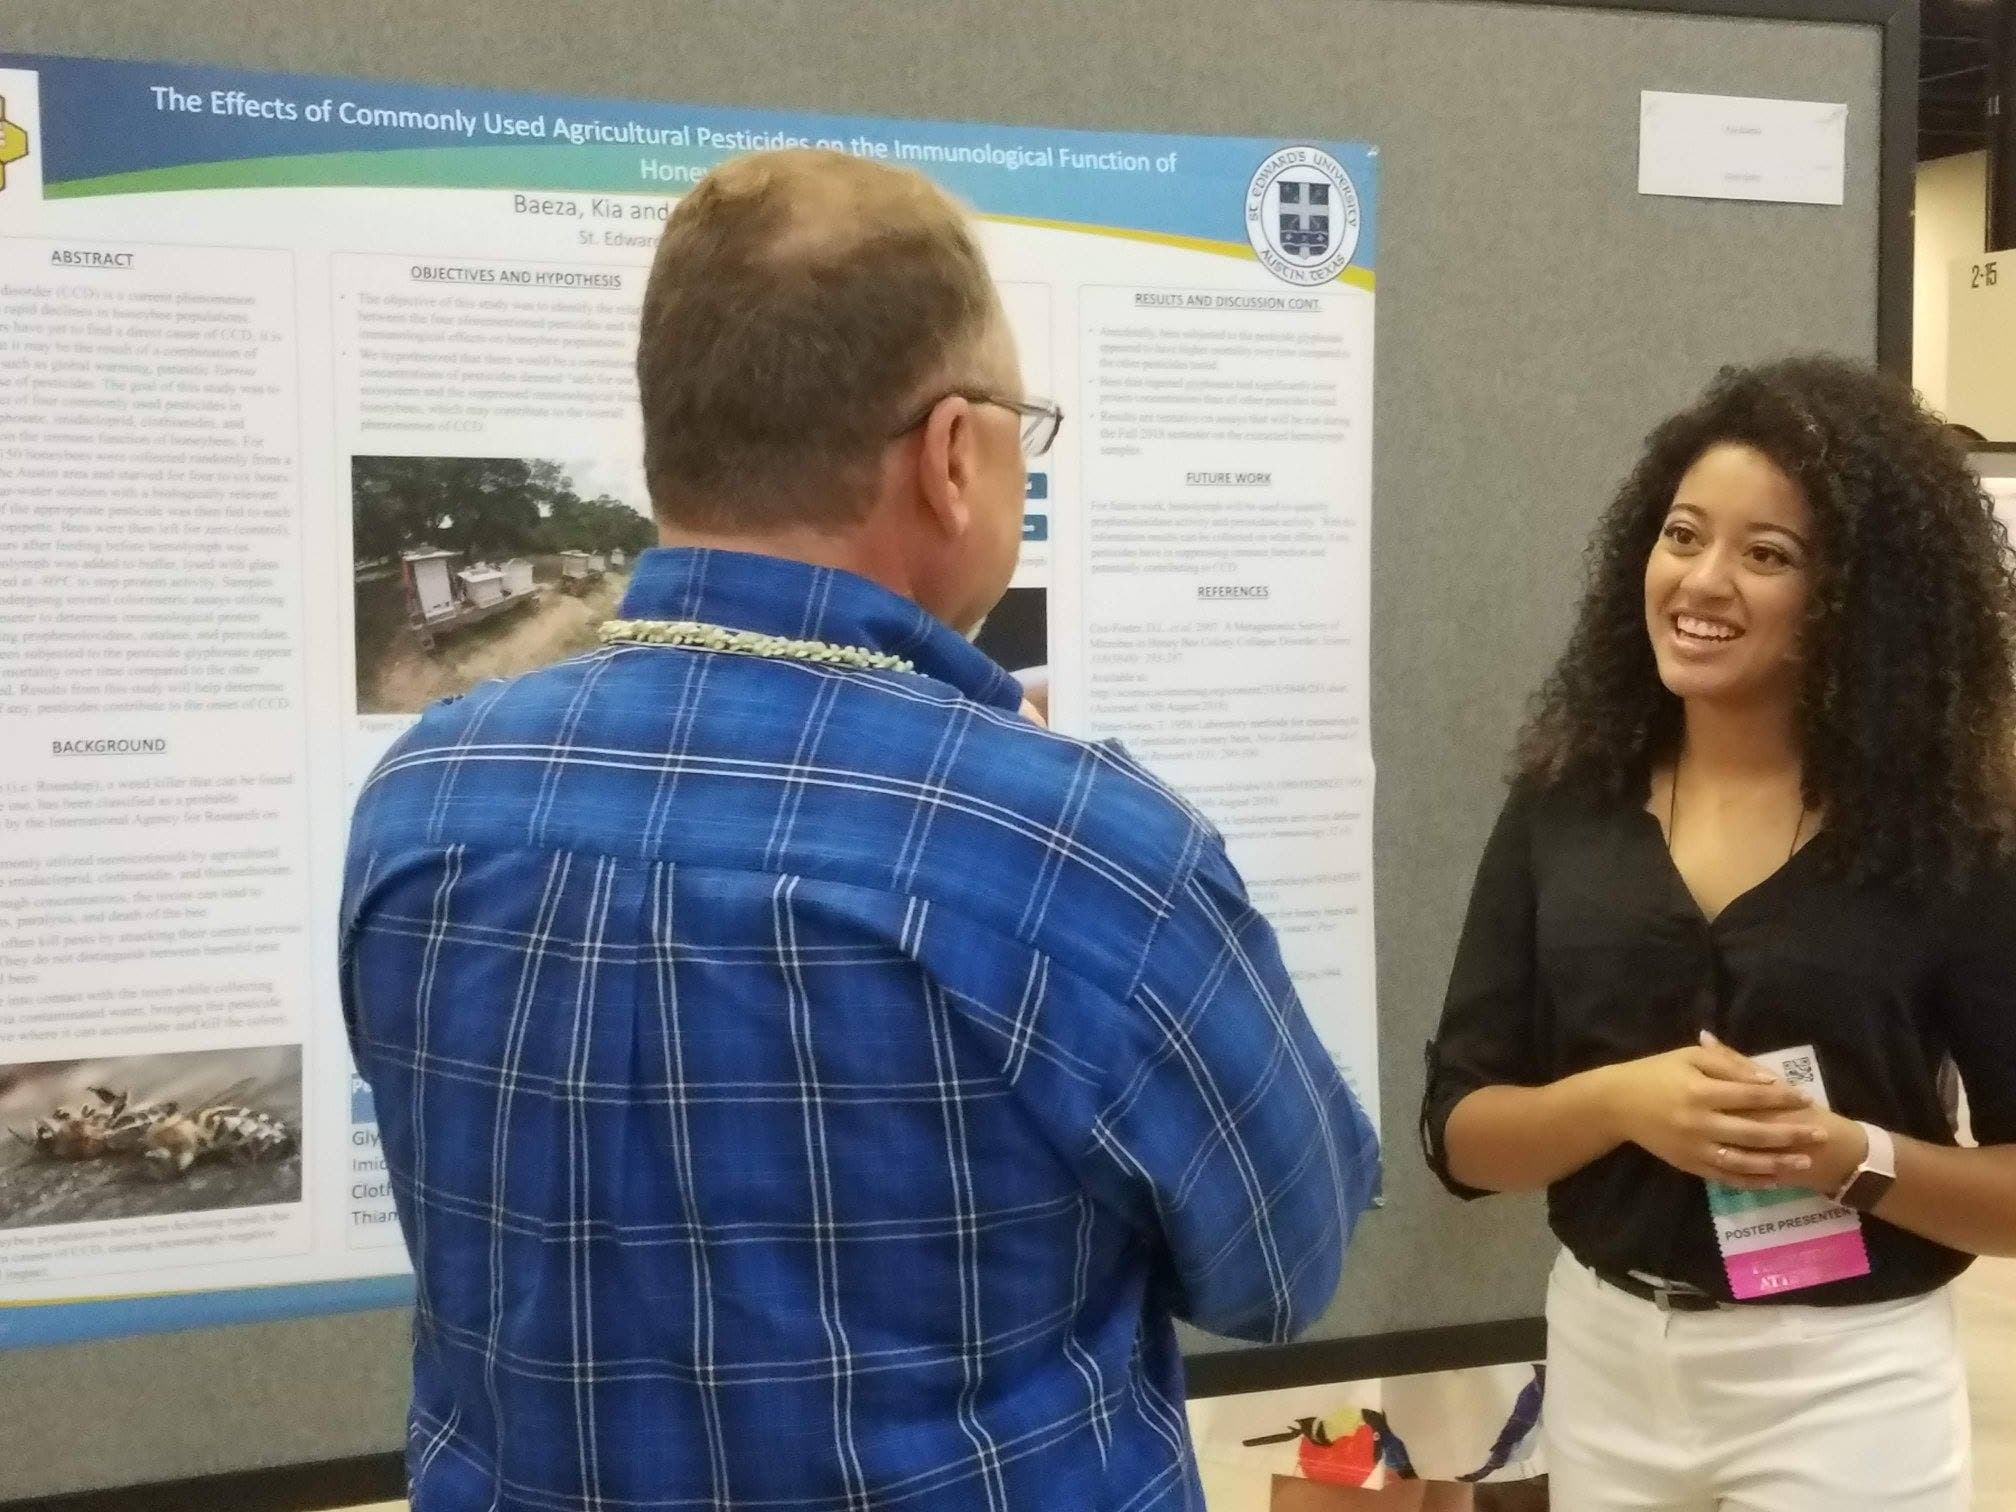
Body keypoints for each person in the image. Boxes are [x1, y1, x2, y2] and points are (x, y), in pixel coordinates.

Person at [342, 148, 1379, 1512]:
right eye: (1022, 420)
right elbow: (1282, 1266)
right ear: (954, 453)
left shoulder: (423, 800)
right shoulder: (1078, 857)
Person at [1421, 357, 2016, 1510]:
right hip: (1607, 1357)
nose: (1702, 579)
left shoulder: (1954, 843)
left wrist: (1852, 1158)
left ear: (1859, 599)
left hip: (1846, 1386)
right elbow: (1461, 1134)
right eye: (1683, 535)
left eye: (1768, 554)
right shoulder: (1565, 808)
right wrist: (1620, 1103)